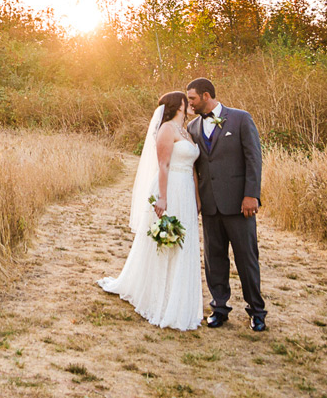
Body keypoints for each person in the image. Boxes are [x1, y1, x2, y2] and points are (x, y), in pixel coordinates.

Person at [98, 91, 203, 331]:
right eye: (186, 101)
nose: (189, 104)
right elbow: (163, 165)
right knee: (167, 241)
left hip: (186, 191)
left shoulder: (186, 132)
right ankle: (160, 298)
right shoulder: (166, 129)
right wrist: (163, 198)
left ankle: (178, 296)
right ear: (178, 106)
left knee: (183, 244)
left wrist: (197, 197)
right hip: (171, 188)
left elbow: (194, 168)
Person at [187, 77, 267, 331]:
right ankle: (219, 308)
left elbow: (253, 158)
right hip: (210, 206)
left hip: (238, 204)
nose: (189, 104)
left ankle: (257, 311)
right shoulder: (192, 128)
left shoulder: (241, 118)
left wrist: (251, 195)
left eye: (192, 99)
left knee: (247, 259)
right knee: (214, 259)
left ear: (206, 96)